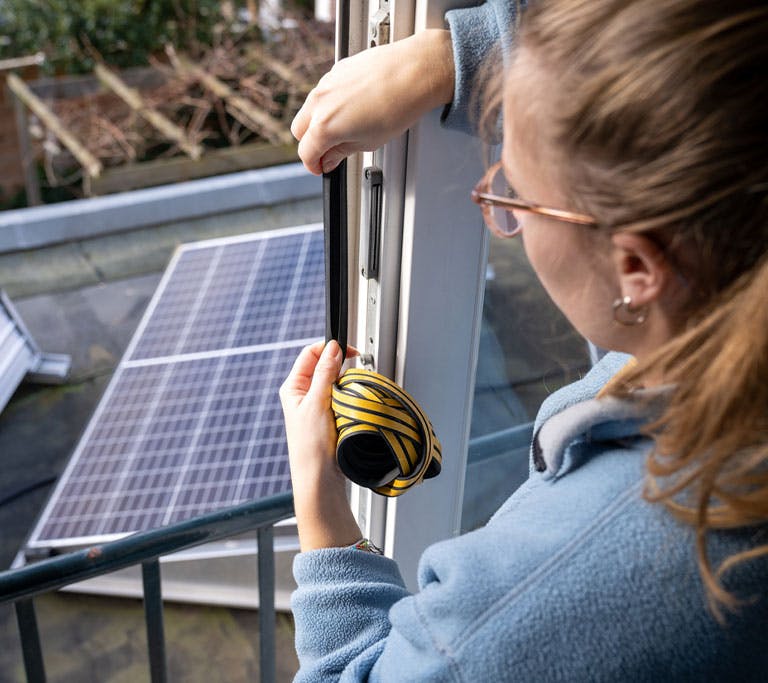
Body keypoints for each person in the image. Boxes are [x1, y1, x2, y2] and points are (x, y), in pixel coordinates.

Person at [279, 0, 768, 680]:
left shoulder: (552, 590)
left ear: (638, 269)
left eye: (515, 192)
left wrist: (320, 509)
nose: (492, 196)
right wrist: (452, 57)